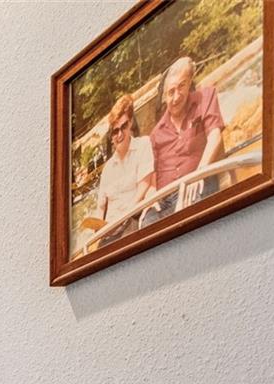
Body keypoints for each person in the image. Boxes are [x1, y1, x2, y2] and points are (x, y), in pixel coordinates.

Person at [147, 55, 226, 218]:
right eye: (170, 92)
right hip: (166, 198)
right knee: (148, 222)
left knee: (190, 212)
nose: (176, 97)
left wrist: (200, 173)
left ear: (189, 82)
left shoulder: (205, 97)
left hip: (199, 180)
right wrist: (152, 194)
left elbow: (215, 136)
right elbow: (152, 177)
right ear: (164, 96)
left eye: (181, 86)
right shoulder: (156, 133)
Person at [93, 93, 156, 244]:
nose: (119, 134)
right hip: (110, 230)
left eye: (123, 127)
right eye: (115, 131)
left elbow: (144, 187)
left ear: (131, 123)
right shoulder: (108, 169)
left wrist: (126, 215)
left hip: (132, 219)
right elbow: (101, 208)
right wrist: (97, 230)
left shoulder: (143, 145)